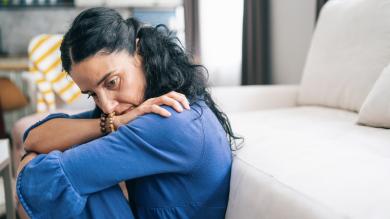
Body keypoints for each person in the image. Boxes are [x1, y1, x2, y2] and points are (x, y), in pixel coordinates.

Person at [16, 7, 240, 219]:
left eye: (112, 82)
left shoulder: (169, 121)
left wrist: (28, 162)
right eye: (91, 94)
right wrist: (115, 122)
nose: (107, 106)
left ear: (139, 52)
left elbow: (37, 183)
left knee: (61, 178)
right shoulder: (140, 112)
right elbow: (33, 138)